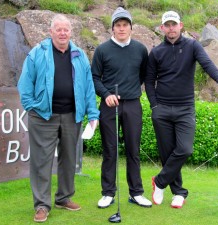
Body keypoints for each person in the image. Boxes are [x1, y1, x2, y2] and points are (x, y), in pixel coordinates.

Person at [145, 11, 218, 208]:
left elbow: (207, 64)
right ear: (162, 28)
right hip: (162, 109)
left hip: (185, 108)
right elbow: (149, 81)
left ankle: (159, 182)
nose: (171, 28)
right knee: (167, 153)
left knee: (184, 149)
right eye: (167, 25)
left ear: (181, 25)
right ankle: (178, 193)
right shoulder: (157, 52)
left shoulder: (192, 46)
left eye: (173, 24)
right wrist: (154, 106)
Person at [17, 14, 99, 222]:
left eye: (66, 29)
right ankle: (42, 205)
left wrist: (93, 114)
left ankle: (64, 198)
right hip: (44, 116)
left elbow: (89, 87)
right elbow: (25, 85)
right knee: (41, 162)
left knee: (70, 159)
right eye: (58, 29)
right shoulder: (38, 53)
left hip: (73, 116)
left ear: (71, 32)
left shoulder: (79, 55)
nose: (63, 33)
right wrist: (32, 107)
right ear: (51, 31)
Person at [91, 7, 152, 208]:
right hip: (109, 106)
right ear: (113, 28)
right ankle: (108, 192)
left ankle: (136, 192)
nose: (122, 28)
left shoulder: (140, 49)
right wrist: (106, 94)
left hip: (133, 104)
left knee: (133, 150)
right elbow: (94, 78)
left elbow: (143, 74)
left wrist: (131, 90)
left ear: (131, 28)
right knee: (110, 150)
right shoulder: (102, 50)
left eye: (125, 25)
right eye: (118, 25)